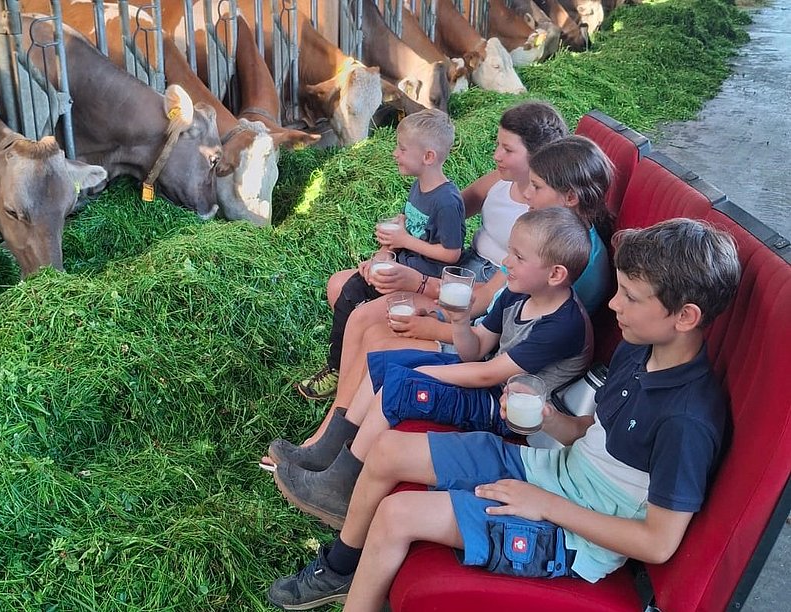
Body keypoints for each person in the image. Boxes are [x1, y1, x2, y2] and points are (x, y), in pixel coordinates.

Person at [266, 218, 742, 612]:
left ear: (685, 317)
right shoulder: (637, 353)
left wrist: (544, 504)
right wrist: (547, 421)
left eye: (631, 298)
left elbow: (658, 544)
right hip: (552, 470)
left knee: (397, 514)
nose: (613, 304)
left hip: (578, 536)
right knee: (387, 450)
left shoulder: (688, 418)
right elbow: (584, 432)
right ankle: (342, 567)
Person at [273, 207, 594, 527]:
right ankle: (328, 454)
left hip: (507, 411)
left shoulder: (562, 324)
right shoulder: (516, 292)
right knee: (383, 363)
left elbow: (487, 373)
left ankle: (340, 490)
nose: (506, 262)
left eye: (519, 257)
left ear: (555, 274)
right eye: (509, 251)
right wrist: (460, 322)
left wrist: (423, 374)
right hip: (486, 379)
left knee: (401, 384)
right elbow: (477, 348)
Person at [293, 99, 568, 412]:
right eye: (497, 145)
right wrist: (390, 250)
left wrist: (417, 280)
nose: (496, 155)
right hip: (459, 267)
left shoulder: (543, 217)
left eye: (507, 149)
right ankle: (349, 374)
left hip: (478, 285)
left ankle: (347, 400)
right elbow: (442, 212)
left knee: (365, 314)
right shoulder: (499, 181)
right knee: (339, 286)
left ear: (539, 155)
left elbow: (489, 294)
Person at [296, 108, 466, 401]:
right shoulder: (419, 186)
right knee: (352, 289)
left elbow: (451, 254)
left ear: (428, 157)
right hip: (402, 265)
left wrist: (403, 240)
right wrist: (384, 252)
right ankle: (345, 364)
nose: (394, 154)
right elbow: (412, 225)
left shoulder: (447, 200)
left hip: (422, 279)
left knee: (353, 296)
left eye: (402, 149)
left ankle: (339, 369)